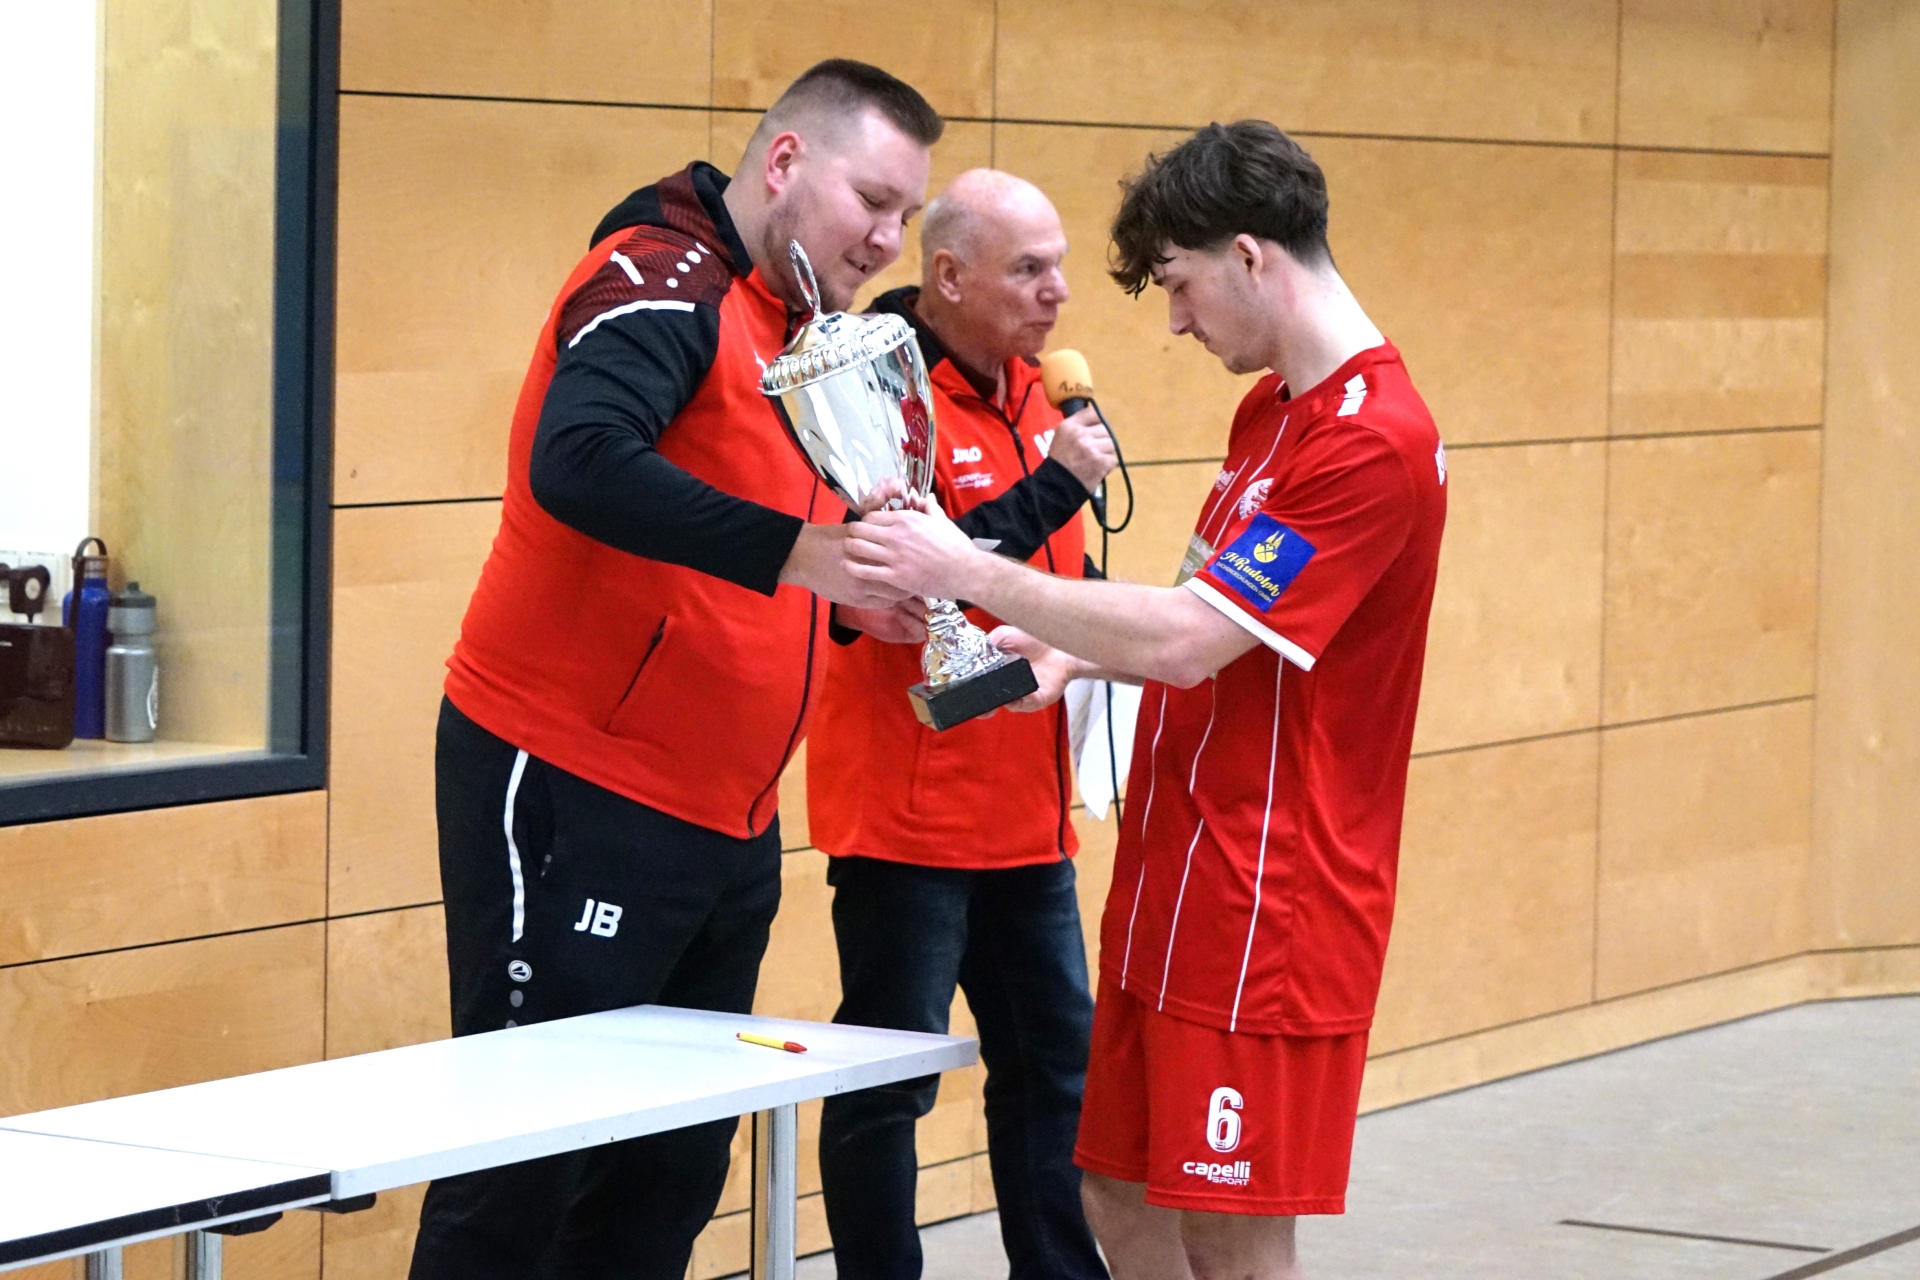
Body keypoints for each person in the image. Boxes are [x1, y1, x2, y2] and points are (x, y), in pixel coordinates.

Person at [841, 121, 1447, 1280]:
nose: (1174, 320)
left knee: (1231, 1229)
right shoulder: (1272, 412)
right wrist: (1073, 653)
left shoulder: (1372, 440)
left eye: (1177, 283)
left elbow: (1189, 640)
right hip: (1177, 868)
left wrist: (965, 567)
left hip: (1268, 896)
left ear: (1251, 257)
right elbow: (1204, 618)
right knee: (1115, 1190)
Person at [410, 61, 941, 1280]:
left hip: (726, 820)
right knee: (521, 1165)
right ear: (785, 162)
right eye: (873, 200)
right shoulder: (661, 277)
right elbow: (581, 459)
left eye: (907, 215)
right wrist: (805, 555)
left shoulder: (806, 332)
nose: (886, 239)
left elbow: (751, 555)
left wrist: (856, 606)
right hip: (572, 778)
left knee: (668, 1174)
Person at [807, 170, 1116, 1280]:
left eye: (1059, 265)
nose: (1058, 292)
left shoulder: (1041, 395)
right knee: (886, 1086)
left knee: (1056, 1074)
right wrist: (1055, 488)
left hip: (1027, 817)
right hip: (910, 822)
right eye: (1029, 269)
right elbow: (910, 571)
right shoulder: (873, 398)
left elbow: (1048, 588)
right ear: (948, 275)